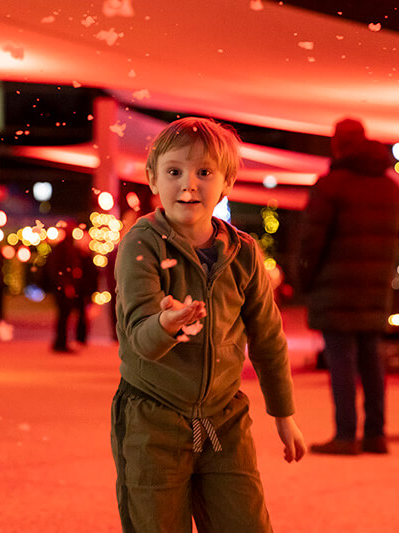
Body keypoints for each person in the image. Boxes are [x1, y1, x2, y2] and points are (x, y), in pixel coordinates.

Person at [112, 117, 305, 532]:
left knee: (246, 522)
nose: (189, 184)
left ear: (227, 182)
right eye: (175, 171)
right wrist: (165, 323)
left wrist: (283, 413)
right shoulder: (142, 243)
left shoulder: (243, 252)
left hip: (223, 418)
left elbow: (268, 338)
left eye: (204, 172)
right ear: (153, 179)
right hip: (153, 417)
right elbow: (140, 340)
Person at [299, 118, 399, 455]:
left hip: (336, 285)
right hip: (374, 287)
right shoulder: (390, 189)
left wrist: (305, 279)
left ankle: (346, 434)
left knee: (341, 359)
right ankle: (376, 433)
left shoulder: (332, 186)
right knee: (371, 358)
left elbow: (311, 240)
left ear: (338, 144)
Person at [44, 223, 98, 353]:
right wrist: (66, 285)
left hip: (63, 288)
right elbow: (59, 270)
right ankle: (60, 343)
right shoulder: (65, 250)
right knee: (64, 315)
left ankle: (61, 342)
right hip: (63, 288)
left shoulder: (66, 249)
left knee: (64, 315)